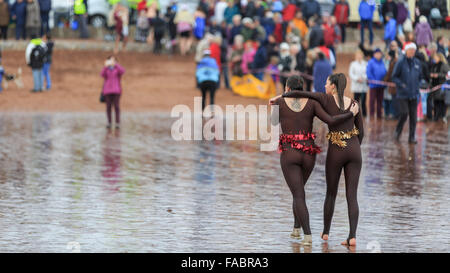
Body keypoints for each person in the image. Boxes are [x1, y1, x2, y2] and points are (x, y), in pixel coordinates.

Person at [270, 75, 359, 246]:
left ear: (287, 89)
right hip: (309, 153)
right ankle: (296, 228)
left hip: (290, 153)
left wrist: (277, 103)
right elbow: (331, 120)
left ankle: (307, 236)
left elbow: (273, 123)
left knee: (298, 194)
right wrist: (350, 113)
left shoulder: (279, 103)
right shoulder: (313, 103)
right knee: (299, 192)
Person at [392, 43, 422, 143]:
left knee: (414, 117)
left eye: (414, 50)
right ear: (406, 51)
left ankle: (412, 137)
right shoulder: (400, 62)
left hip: (414, 94)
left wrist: (420, 84)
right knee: (404, 113)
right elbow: (394, 76)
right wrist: (402, 85)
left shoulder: (417, 62)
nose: (413, 52)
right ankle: (398, 131)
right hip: (403, 94)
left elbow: (420, 77)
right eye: (411, 50)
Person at [101, 56, 125, 129]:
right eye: (110, 60)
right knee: (108, 107)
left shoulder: (117, 68)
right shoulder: (106, 69)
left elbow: (123, 71)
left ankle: (117, 122)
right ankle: (109, 122)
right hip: (107, 91)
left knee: (116, 107)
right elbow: (102, 74)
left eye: (113, 60)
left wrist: (116, 64)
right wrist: (105, 66)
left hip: (116, 90)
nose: (112, 62)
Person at [366, 48, 387, 119]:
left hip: (381, 86)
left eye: (379, 54)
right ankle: (371, 114)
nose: (378, 55)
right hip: (373, 85)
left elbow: (384, 71)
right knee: (372, 100)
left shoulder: (382, 62)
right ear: (374, 54)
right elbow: (368, 73)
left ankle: (379, 115)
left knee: (380, 101)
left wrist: (384, 80)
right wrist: (374, 80)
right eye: (377, 54)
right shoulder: (371, 62)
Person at [430, 53, 449, 121]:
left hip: (441, 86)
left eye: (435, 58)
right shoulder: (434, 65)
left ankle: (442, 115)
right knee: (435, 102)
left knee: (441, 101)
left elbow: (447, 75)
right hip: (434, 85)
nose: (434, 59)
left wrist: (438, 75)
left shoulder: (444, 65)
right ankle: (436, 116)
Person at [349, 50, 368, 117]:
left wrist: (363, 78)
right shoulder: (353, 64)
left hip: (363, 85)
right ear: (356, 56)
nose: (359, 57)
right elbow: (351, 73)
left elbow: (367, 73)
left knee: (363, 101)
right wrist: (357, 78)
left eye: (360, 55)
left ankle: (364, 114)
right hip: (356, 85)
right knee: (356, 101)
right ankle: (356, 114)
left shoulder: (365, 63)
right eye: (358, 55)